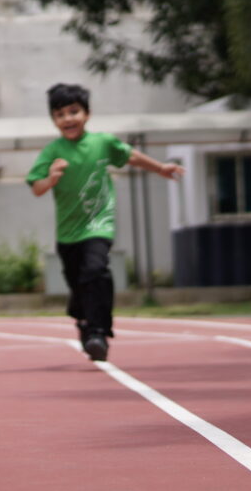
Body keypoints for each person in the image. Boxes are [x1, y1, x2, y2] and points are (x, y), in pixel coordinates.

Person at [27, 82, 184, 361]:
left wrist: (160, 168)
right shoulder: (53, 152)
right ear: (54, 120)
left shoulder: (103, 143)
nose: (68, 119)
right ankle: (84, 322)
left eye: (74, 111)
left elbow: (130, 156)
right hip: (67, 233)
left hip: (99, 223)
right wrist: (51, 178)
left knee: (96, 270)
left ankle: (99, 332)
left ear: (86, 114)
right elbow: (36, 188)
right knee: (78, 284)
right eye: (60, 114)